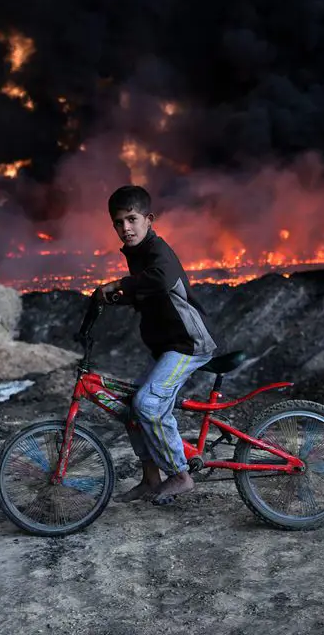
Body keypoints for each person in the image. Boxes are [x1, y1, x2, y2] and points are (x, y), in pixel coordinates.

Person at [96, 185, 217, 505]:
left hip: (188, 343)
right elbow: (147, 292)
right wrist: (117, 298)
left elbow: (162, 280)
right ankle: (151, 479)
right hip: (168, 346)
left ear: (149, 219)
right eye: (118, 223)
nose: (126, 228)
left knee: (148, 404)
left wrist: (120, 284)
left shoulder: (157, 251)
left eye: (132, 220)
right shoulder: (137, 255)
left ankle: (179, 473)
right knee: (132, 407)